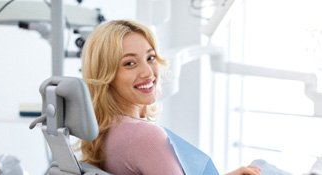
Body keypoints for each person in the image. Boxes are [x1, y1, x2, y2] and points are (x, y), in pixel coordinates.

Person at [80, 19, 261, 175]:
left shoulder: (103, 131)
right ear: (106, 75)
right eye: (130, 63)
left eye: (150, 58)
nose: (147, 72)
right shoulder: (145, 136)